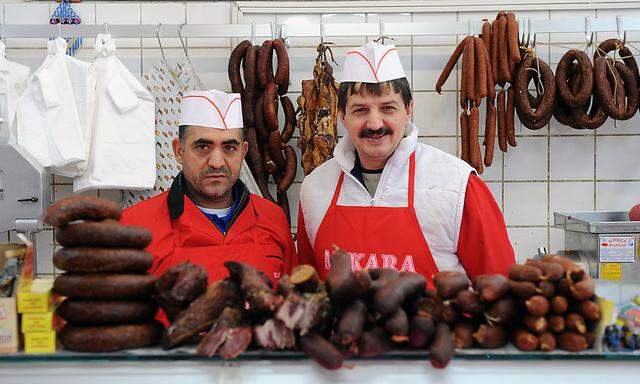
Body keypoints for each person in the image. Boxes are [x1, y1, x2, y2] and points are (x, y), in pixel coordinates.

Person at [296, 42, 515, 285]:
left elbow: (501, 290)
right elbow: (308, 293)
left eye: (388, 108)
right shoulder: (314, 188)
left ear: (408, 109)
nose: (375, 123)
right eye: (361, 110)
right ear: (342, 116)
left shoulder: (457, 185)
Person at [121, 90, 296, 284]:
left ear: (243, 152)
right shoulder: (134, 226)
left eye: (229, 148)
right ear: (179, 151)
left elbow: (293, 305)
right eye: (203, 147)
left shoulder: (273, 218)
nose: (216, 162)